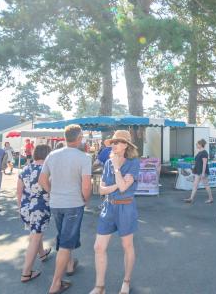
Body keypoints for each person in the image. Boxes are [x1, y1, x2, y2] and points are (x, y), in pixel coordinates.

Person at [39, 124, 92, 294]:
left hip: (56, 203)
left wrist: (52, 191)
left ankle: (69, 265)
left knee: (64, 236)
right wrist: (86, 199)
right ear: (79, 138)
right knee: (66, 242)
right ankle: (56, 283)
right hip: (73, 204)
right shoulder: (84, 158)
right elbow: (86, 186)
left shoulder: (52, 155)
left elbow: (42, 179)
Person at [91, 130, 140, 294]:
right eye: (112, 142)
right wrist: (116, 185)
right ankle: (100, 286)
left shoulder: (133, 162)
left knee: (127, 245)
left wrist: (117, 169)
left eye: (117, 142)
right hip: (108, 206)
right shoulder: (107, 163)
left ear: (126, 145)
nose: (113, 145)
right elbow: (101, 190)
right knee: (98, 247)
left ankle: (126, 281)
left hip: (126, 207)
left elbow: (125, 187)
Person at [17, 144, 53, 283]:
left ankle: (42, 254)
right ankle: (26, 273)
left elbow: (19, 191)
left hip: (25, 207)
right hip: (41, 207)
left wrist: (20, 207)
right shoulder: (47, 170)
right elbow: (50, 188)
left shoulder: (26, 168)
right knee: (35, 238)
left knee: (35, 234)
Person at [184, 139, 214, 204]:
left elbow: (204, 163)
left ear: (200, 145)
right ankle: (191, 198)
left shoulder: (204, 153)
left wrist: (203, 173)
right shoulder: (199, 152)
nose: (196, 145)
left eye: (197, 144)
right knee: (195, 185)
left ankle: (211, 198)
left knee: (206, 185)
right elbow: (198, 161)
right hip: (198, 171)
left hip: (202, 171)